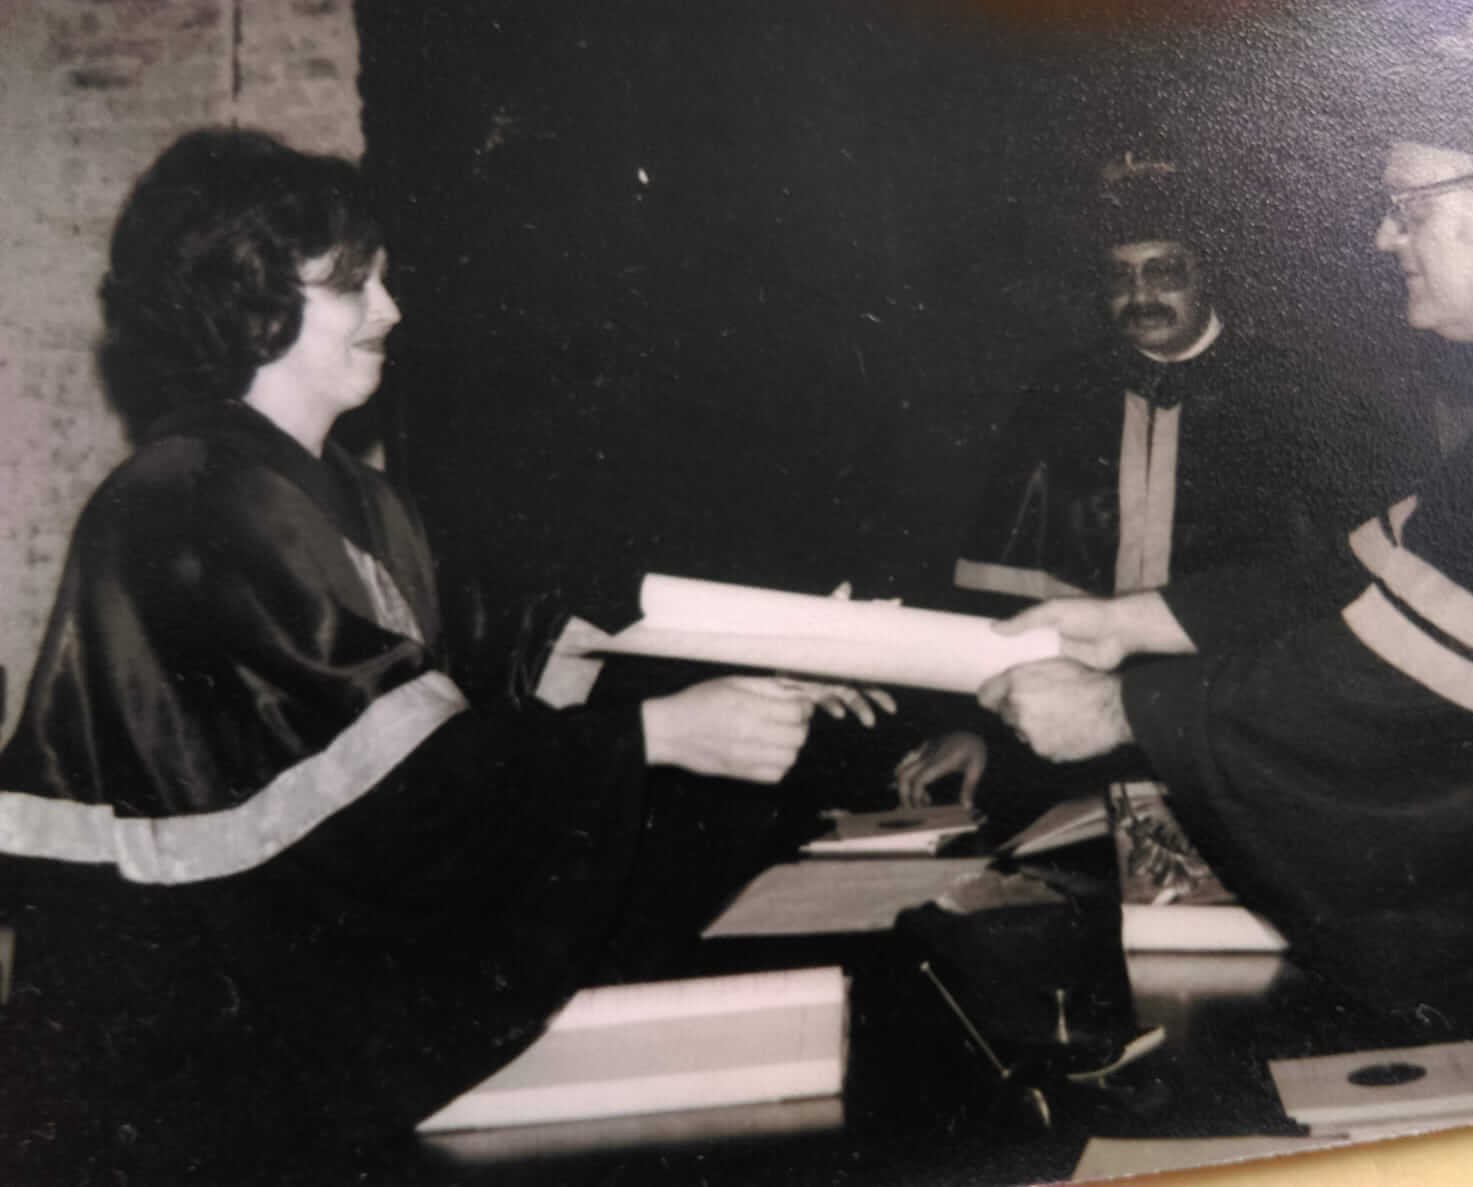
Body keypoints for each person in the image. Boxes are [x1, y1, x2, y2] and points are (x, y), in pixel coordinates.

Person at [0, 128, 881, 1180]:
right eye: (355, 285)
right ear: (251, 297)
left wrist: (768, 648)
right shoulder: (183, 501)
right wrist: (663, 732)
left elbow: (455, 709)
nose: (393, 312)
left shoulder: (358, 498)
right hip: (202, 1070)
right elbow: (384, 806)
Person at [978, 44, 1473, 1045]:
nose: (1384, 235)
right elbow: (1376, 574)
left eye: (1409, 205)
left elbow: (1409, 688)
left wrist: (1123, 706)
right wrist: (1130, 619)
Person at [897, 152, 1400, 806]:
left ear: (1207, 275)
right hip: (1073, 723)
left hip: (1240, 722)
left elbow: (1337, 586)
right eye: (1120, 277)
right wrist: (969, 721)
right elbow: (998, 579)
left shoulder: (1297, 395)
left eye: (1163, 272)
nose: (1140, 296)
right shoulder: (1060, 393)